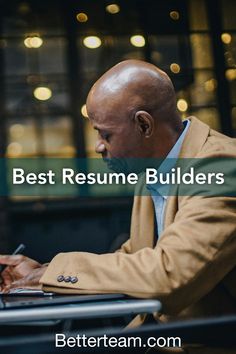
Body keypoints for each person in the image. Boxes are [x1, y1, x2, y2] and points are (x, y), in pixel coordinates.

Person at [0, 60, 236, 353]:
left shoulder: (223, 167)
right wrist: (42, 273)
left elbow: (169, 273)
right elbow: (139, 256)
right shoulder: (152, 167)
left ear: (143, 124)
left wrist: (56, 273)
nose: (98, 146)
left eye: (105, 134)